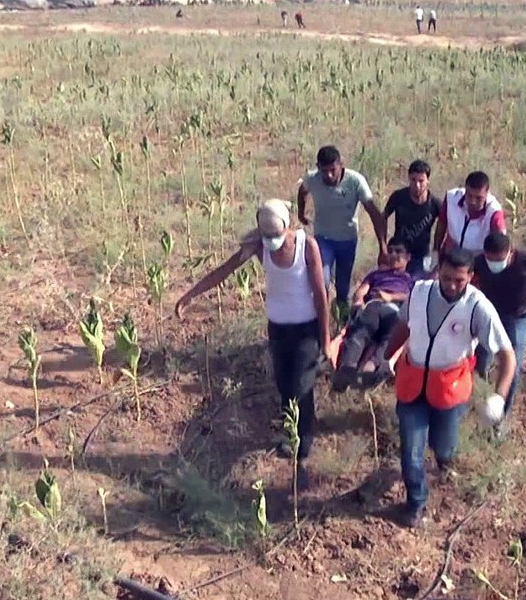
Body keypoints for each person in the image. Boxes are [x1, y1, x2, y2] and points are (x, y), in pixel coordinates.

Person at [175, 199, 331, 484]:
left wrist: (326, 338)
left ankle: (303, 447)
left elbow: (321, 294)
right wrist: (189, 296)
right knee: (284, 385)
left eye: (276, 236)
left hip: (306, 329)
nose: (273, 243)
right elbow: (224, 270)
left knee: (302, 386)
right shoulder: (259, 246)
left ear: (287, 227)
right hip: (278, 329)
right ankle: (291, 431)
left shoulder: (306, 246)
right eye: (267, 236)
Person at [384, 247, 516, 528]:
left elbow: (508, 356)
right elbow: (404, 325)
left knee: (444, 447)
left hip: (449, 389)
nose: (452, 286)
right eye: (446, 278)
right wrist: (386, 357)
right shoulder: (419, 292)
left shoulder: (478, 307)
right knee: (411, 451)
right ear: (438, 272)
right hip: (412, 384)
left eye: (459, 280)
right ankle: (416, 502)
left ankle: (444, 461)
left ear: (471, 276)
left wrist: (499, 396)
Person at [296, 145, 389, 314]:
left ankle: (341, 319)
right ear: (318, 167)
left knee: (343, 287)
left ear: (341, 164)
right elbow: (302, 192)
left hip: (347, 240)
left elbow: (374, 213)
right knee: (321, 280)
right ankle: (320, 318)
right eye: (324, 171)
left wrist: (383, 247)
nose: (329, 175)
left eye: (333, 170)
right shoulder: (312, 178)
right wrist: (300, 213)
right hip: (323, 238)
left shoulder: (355, 181)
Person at [473, 232, 526, 421]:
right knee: (480, 362)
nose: (495, 264)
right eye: (491, 260)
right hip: (488, 316)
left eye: (500, 260)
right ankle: (478, 405)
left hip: (516, 317)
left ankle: (501, 414)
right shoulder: (478, 262)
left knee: (513, 367)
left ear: (511, 252)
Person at [331, 238, 415, 392]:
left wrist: (391, 297)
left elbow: (413, 298)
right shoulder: (376, 275)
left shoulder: (411, 280)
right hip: (373, 306)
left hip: (395, 312)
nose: (393, 255)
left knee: (390, 340)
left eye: (398, 252)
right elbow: (361, 291)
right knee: (359, 334)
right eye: (390, 251)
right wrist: (359, 301)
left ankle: (369, 371)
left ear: (408, 257)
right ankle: (347, 369)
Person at [383, 159, 441, 278]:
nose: (417, 185)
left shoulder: (435, 204)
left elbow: (445, 226)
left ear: (428, 180)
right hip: (399, 252)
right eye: (413, 180)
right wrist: (383, 246)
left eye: (421, 181)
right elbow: (382, 218)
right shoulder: (399, 197)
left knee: (416, 284)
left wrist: (437, 254)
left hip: (421, 256)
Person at [434, 170, 506, 259]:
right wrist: (436, 252)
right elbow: (442, 223)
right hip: (451, 254)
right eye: (469, 195)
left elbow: (501, 244)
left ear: (487, 193)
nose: (473, 202)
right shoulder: (451, 197)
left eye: (479, 198)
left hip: (477, 259)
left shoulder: (494, 212)